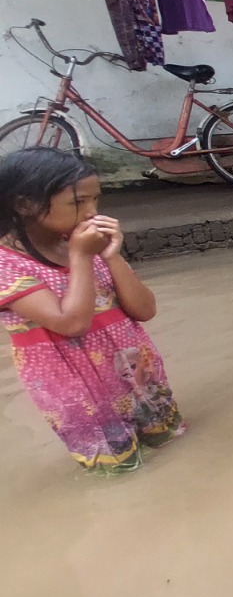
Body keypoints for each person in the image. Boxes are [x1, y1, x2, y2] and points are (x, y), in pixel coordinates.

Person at [0, 148, 183, 475]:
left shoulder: (84, 241)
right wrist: (82, 256)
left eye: (95, 201)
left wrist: (111, 255)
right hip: (79, 393)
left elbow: (145, 309)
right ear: (23, 204)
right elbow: (71, 324)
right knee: (120, 470)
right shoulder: (7, 263)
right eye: (78, 203)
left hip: (136, 373)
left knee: (172, 443)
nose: (92, 212)